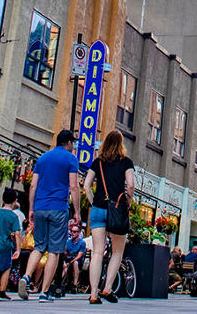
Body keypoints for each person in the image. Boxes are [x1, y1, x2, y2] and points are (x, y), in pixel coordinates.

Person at [19, 129, 81, 302]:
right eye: (72, 143)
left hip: (40, 206)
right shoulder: (71, 159)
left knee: (39, 247)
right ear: (68, 143)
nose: (73, 146)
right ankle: (44, 292)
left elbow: (33, 186)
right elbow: (74, 187)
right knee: (54, 251)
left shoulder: (42, 158)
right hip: (58, 208)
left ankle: (26, 277)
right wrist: (77, 212)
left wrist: (31, 208)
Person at [83, 130, 135, 304]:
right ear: (121, 144)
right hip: (117, 210)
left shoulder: (97, 162)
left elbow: (86, 185)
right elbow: (131, 185)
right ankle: (107, 288)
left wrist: (93, 202)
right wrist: (128, 202)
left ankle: (93, 294)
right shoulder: (126, 162)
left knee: (97, 252)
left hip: (98, 208)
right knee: (118, 251)